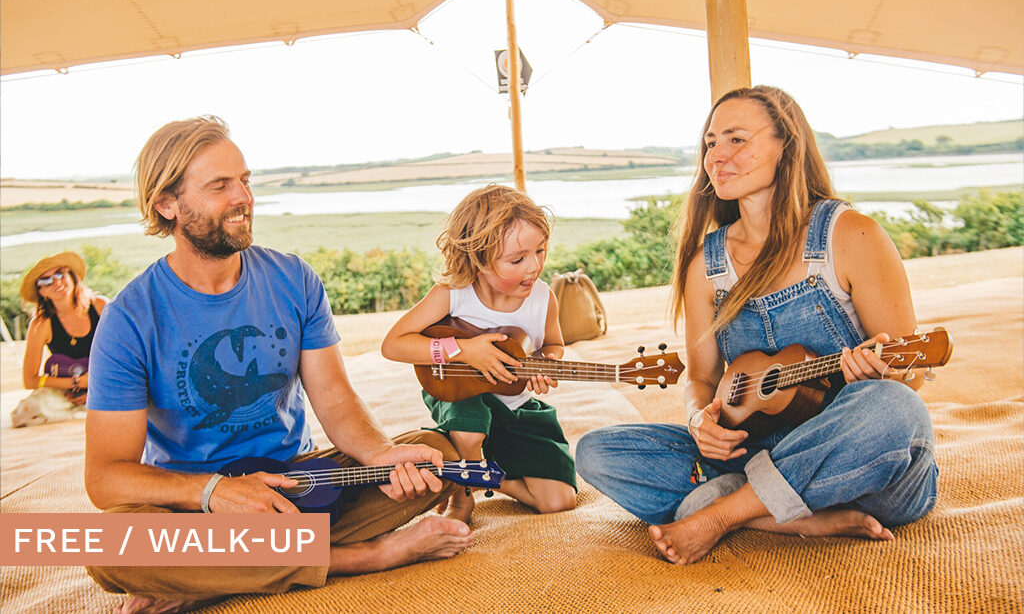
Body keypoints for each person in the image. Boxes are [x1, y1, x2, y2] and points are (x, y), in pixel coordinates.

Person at [84, 116, 472, 614]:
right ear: (166, 204)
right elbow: (105, 477)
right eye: (220, 185)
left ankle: (204, 576)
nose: (243, 197)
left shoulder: (293, 278)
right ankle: (364, 556)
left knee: (429, 452)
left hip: (301, 490)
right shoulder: (129, 318)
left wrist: (378, 455)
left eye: (244, 180)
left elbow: (334, 398)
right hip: (196, 508)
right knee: (102, 542)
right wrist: (215, 493)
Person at [576, 86, 938, 565]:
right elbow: (702, 378)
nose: (717, 157)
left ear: (786, 145)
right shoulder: (707, 262)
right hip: (753, 451)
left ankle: (726, 513)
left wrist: (883, 374)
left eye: (735, 140)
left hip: (860, 469)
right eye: (710, 143)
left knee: (894, 407)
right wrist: (699, 419)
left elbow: (908, 374)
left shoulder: (851, 234)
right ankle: (794, 515)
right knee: (597, 451)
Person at [381, 185, 577, 523]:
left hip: (514, 404)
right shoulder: (454, 293)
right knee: (470, 429)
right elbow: (394, 344)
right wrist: (464, 350)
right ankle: (462, 495)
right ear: (478, 260)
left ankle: (487, 474)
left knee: (558, 501)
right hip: (456, 390)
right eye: (517, 259)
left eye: (541, 251)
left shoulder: (544, 298)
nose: (534, 267)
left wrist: (548, 363)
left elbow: (553, 345)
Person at [13, 251, 107, 426]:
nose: (56, 282)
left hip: (108, 381)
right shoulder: (40, 325)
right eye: (46, 281)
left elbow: (126, 355)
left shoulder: (100, 306)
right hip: (66, 389)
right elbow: (30, 380)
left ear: (72, 278)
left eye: (60, 274)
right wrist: (75, 383)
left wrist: (97, 388)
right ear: (41, 292)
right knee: (29, 411)